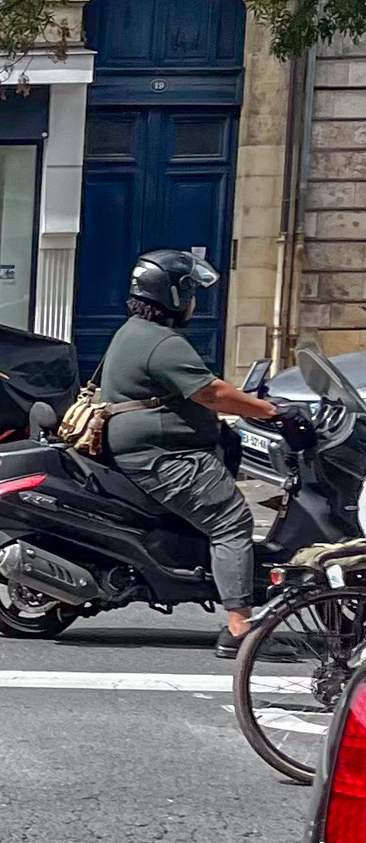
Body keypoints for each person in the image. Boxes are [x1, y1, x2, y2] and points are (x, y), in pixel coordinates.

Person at [101, 248, 282, 656]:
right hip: (163, 456)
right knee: (232, 520)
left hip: (148, 449)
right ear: (173, 295)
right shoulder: (161, 342)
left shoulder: (135, 332)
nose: (196, 302)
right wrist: (270, 411)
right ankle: (241, 627)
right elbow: (211, 392)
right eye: (191, 292)